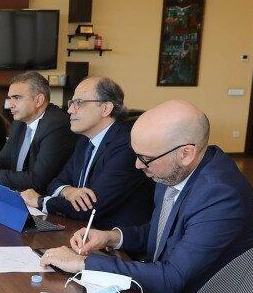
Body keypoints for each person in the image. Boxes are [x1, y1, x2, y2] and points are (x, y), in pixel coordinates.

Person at [39, 100, 253, 293]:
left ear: (185, 153)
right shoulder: (174, 171)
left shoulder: (218, 194)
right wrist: (111, 237)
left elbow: (171, 278)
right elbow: (162, 231)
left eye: (145, 158)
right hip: (170, 285)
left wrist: (83, 264)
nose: (138, 165)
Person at [20, 77, 153, 229]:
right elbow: (55, 183)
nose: (70, 110)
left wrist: (41, 201)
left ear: (105, 108)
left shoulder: (126, 145)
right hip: (80, 228)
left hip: (113, 237)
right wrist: (68, 191)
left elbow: (90, 207)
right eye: (71, 103)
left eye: (79, 102)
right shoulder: (84, 141)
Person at [0, 72, 76, 193]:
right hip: (17, 193)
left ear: (39, 100)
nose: (10, 105)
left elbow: (37, 180)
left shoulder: (56, 126)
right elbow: (5, 160)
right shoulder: (19, 122)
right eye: (10, 98)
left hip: (42, 199)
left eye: (17, 98)